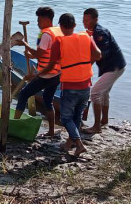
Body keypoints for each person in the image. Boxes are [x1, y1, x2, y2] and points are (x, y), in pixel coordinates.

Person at [38, 13, 101, 157]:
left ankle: (79, 144)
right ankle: (70, 142)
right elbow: (98, 55)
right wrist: (84, 63)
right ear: (74, 25)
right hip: (86, 85)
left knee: (66, 118)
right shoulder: (86, 37)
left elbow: (51, 65)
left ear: (60, 26)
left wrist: (37, 74)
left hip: (70, 85)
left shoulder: (59, 42)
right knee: (77, 115)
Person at [14, 6, 63, 137]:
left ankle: (14, 124)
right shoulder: (57, 31)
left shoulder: (46, 34)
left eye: (39, 20)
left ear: (46, 19)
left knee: (24, 94)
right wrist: (32, 56)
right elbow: (43, 54)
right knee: (48, 99)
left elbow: (39, 53)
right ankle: (51, 131)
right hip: (57, 73)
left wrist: (24, 43)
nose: (38, 23)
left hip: (46, 75)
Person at [82, 8, 126, 134]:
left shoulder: (99, 33)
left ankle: (96, 126)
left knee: (95, 93)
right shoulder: (92, 33)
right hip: (115, 66)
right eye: (83, 20)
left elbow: (99, 54)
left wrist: (86, 67)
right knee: (104, 93)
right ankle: (104, 120)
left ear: (95, 20)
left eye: (87, 20)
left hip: (114, 67)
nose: (85, 22)